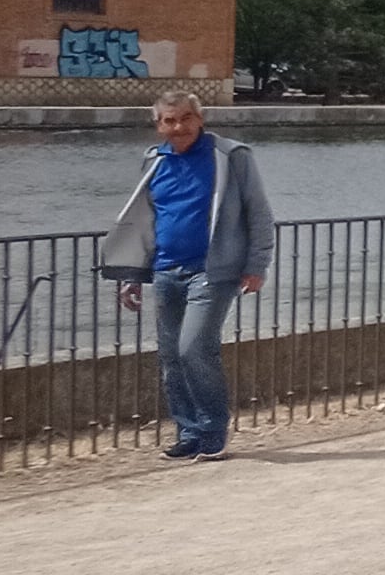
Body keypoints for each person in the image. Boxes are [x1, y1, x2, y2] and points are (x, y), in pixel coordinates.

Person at [101, 94, 273, 462]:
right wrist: (132, 274)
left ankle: (213, 431)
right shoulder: (154, 159)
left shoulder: (231, 156)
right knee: (170, 357)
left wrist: (257, 265)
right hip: (165, 270)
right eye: (169, 120)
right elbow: (145, 222)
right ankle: (188, 433)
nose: (178, 127)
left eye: (185, 118)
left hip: (212, 271)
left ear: (200, 118)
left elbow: (258, 212)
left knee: (193, 347)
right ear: (158, 125)